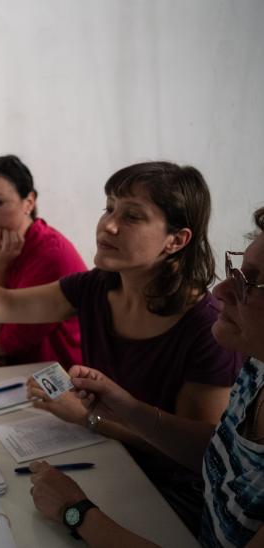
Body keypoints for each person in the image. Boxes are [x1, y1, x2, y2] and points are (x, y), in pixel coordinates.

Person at [0, 161, 242, 531]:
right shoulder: (96, 287)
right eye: (109, 207)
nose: (108, 225)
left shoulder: (206, 327)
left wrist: (90, 418)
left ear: (176, 240)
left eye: (132, 216)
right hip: (108, 456)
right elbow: (7, 303)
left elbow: (198, 456)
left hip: (168, 495)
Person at [28, 206, 264, 547]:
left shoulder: (203, 324)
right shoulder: (257, 366)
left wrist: (74, 510)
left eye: (250, 283)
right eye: (235, 270)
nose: (220, 291)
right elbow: (218, 454)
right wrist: (125, 407)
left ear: (177, 240)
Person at [0, 155, 86, 367]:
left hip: (60, 377)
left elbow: (0, 344)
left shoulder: (51, 255)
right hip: (10, 370)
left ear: (29, 202)